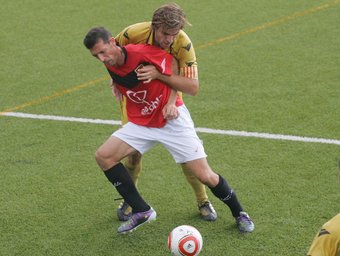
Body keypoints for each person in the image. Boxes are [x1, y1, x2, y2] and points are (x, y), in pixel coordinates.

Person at [83, 26, 255, 234]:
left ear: (113, 42)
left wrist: (172, 100)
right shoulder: (111, 62)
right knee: (104, 156)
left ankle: (240, 213)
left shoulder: (141, 52)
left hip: (171, 120)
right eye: (96, 56)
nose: (102, 59)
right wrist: (117, 85)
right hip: (143, 122)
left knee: (205, 175)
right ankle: (141, 210)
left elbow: (173, 64)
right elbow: (124, 77)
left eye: (103, 52)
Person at [112, 3, 217, 222]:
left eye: (174, 34)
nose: (169, 39)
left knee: (187, 155)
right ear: (154, 27)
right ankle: (131, 200)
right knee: (132, 153)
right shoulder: (132, 33)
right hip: (137, 100)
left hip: (169, 97)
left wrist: (159, 77)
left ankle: (203, 199)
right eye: (164, 34)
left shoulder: (183, 44)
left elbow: (192, 86)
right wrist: (115, 80)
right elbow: (112, 54)